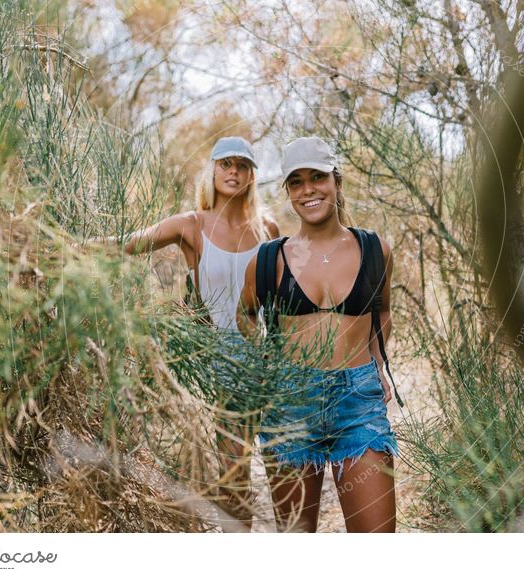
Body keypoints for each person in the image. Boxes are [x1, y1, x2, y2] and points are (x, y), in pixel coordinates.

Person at [86, 136, 279, 531]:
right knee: (216, 469)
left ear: (251, 176)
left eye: (242, 166)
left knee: (261, 467)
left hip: (259, 362)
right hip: (210, 360)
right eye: (226, 164)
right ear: (212, 170)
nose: (234, 172)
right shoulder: (191, 225)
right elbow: (127, 244)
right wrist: (69, 246)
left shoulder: (268, 228)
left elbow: (282, 295)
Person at [237, 136, 399, 532]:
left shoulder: (376, 248)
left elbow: (382, 311)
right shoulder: (269, 258)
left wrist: (377, 362)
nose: (308, 189)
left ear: (336, 180)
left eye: (317, 177)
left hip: (358, 403)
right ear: (288, 191)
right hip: (290, 403)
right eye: (296, 182)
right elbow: (244, 314)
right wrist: (265, 368)